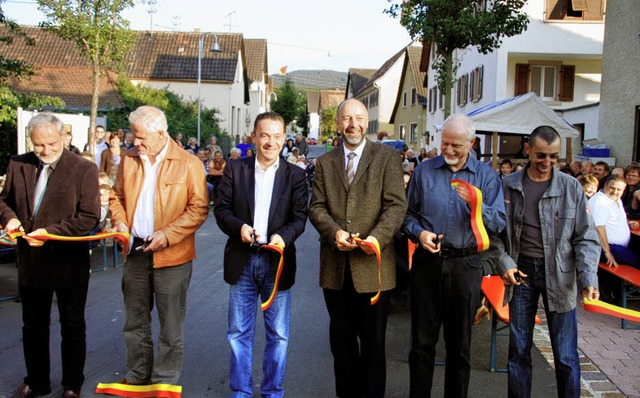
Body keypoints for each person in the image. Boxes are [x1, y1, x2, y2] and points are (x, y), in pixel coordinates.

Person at [309, 98, 406, 398]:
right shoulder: (325, 163)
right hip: (335, 269)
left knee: (374, 345)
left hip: (374, 268)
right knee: (342, 343)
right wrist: (333, 232)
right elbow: (317, 207)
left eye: (359, 117)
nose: (353, 124)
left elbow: (396, 206)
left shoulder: (388, 158)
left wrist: (377, 238)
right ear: (338, 124)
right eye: (347, 118)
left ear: (368, 122)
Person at [403, 114, 505, 397]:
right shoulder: (424, 171)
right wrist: (419, 234)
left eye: (456, 145)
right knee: (422, 344)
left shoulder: (486, 177)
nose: (448, 150)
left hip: (466, 266)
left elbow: (498, 223)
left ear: (471, 143)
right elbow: (408, 216)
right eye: (444, 142)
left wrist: (476, 205)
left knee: (459, 346)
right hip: (427, 265)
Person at [0, 113, 100, 398]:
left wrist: (50, 232)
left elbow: (89, 217)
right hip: (31, 263)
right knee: (32, 326)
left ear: (64, 137)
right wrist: (9, 218)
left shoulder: (83, 168)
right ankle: (36, 381)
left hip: (68, 260)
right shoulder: (18, 163)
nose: (45, 150)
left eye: (51, 143)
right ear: (31, 141)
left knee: (72, 326)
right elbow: (3, 201)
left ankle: (72, 385)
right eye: (39, 145)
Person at [109, 105, 209, 386]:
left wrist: (167, 234)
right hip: (135, 251)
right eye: (133, 136)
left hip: (173, 255)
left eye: (140, 137)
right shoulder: (129, 160)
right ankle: (138, 373)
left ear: (161, 133)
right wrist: (119, 223)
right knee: (135, 320)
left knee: (170, 324)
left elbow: (199, 208)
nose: (134, 142)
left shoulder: (188, 163)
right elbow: (116, 198)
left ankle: (164, 379)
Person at [499, 125, 600, 398]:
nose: (547, 162)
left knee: (566, 354)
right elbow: (493, 234)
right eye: (541, 155)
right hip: (520, 273)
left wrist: (589, 278)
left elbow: (586, 238)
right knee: (518, 351)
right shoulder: (508, 185)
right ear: (528, 149)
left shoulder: (570, 188)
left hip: (561, 274)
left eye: (554, 156)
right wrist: (504, 262)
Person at [214, 111, 308, 397]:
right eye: (264, 135)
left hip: (276, 262)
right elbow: (221, 211)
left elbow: (300, 217)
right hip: (242, 259)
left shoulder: (296, 175)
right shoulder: (234, 168)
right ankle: (241, 392)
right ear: (254, 137)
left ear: (284, 139)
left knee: (277, 335)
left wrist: (283, 236)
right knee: (238, 333)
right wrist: (240, 227)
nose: (270, 142)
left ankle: (272, 392)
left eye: (276, 136)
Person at [588, 175, 640, 303]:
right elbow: (599, 228)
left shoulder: (614, 199)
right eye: (612, 188)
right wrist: (607, 252)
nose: (615, 192)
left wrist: (627, 223)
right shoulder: (600, 202)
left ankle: (618, 296)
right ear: (605, 186)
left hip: (616, 247)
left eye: (619, 190)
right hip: (608, 248)